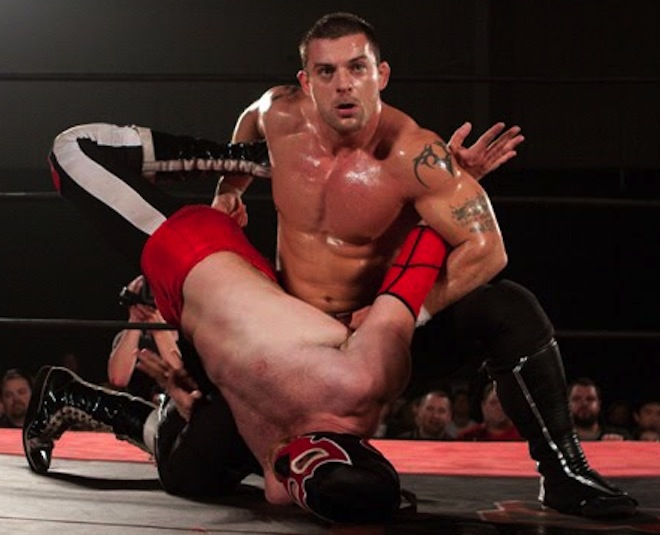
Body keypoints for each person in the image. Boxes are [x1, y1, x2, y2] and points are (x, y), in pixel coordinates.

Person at [37, 12, 637, 518]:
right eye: (327, 72)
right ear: (306, 81)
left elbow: (487, 249)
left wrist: (401, 314)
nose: (344, 85)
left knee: (509, 307)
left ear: (381, 74)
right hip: (291, 334)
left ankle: (564, 470)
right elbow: (248, 124)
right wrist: (228, 191)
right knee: (192, 474)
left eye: (357, 68)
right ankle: (86, 399)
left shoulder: (414, 155)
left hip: (382, 331)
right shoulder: (277, 117)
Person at [26, 202, 449, 523]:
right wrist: (443, 196)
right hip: (247, 343)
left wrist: (445, 197)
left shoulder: (359, 379)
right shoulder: (357, 374)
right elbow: (407, 280)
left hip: (254, 367)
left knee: (197, 467)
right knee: (192, 466)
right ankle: (80, 397)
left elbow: (407, 284)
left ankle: (77, 397)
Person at [110, 274, 180, 403]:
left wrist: (159, 331)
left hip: (177, 407)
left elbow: (180, 375)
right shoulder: (126, 338)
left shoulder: (185, 334)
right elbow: (117, 379)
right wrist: (135, 321)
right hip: (139, 409)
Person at [568, 377, 633, 441]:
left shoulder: (621, 436)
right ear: (568, 405)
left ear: (599, 405)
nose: (584, 403)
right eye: (577, 399)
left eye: (590, 399)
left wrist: (620, 446)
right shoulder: (562, 439)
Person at [457, 382, 522, 441]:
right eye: (493, 403)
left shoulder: (522, 435)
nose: (499, 407)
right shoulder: (468, 437)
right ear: (483, 407)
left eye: (503, 402)